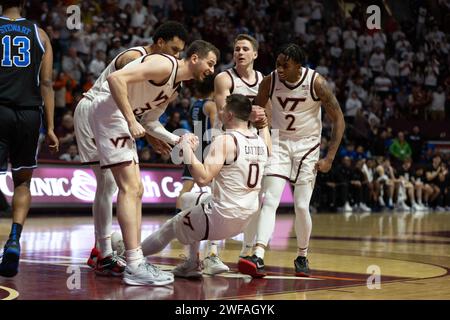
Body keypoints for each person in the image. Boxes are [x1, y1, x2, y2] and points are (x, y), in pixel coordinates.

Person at [89, 39, 219, 286]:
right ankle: (134, 264)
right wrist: (130, 119)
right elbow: (115, 79)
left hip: (117, 117)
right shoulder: (164, 64)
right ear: (194, 58)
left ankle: (135, 260)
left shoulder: (174, 86)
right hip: (110, 113)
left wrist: (176, 138)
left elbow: (150, 121)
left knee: (136, 189)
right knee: (130, 188)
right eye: (210, 63)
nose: (211, 70)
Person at [73, 21, 188, 275]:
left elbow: (140, 114)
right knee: (109, 183)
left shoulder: (166, 74)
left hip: (114, 119)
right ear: (159, 43)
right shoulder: (136, 57)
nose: (176, 56)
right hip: (94, 110)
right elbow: (117, 96)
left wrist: (152, 133)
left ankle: (102, 251)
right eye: (174, 49)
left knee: (110, 185)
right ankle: (102, 252)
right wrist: (142, 129)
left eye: (180, 52)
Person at [239, 43, 345, 278]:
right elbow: (257, 108)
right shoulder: (270, 81)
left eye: (285, 65)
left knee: (300, 205)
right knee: (270, 200)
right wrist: (257, 124)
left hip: (308, 146)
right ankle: (258, 254)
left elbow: (338, 119)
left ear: (299, 66)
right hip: (279, 143)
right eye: (277, 64)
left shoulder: (316, 82)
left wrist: (329, 157)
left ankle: (302, 255)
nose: (279, 69)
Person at [140, 94, 269, 278]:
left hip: (223, 217)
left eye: (223, 109)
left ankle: (130, 258)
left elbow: (202, 178)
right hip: (247, 218)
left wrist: (186, 150)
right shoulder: (261, 141)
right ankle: (192, 263)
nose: (220, 111)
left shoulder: (226, 140)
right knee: (187, 199)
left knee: (171, 227)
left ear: (230, 115)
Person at [0, 0, 59, 277]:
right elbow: (46, 84)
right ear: (23, 4)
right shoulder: (41, 34)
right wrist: (50, 127)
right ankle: (14, 238)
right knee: (22, 181)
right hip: (29, 113)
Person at [204, 34, 267, 274]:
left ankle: (247, 253)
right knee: (218, 197)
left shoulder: (263, 80)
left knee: (254, 198)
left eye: (245, 49)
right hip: (227, 140)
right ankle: (211, 254)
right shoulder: (224, 78)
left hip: (252, 141)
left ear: (255, 54)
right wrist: (253, 114)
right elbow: (223, 112)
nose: (240, 52)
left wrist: (264, 120)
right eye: (236, 48)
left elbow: (266, 113)